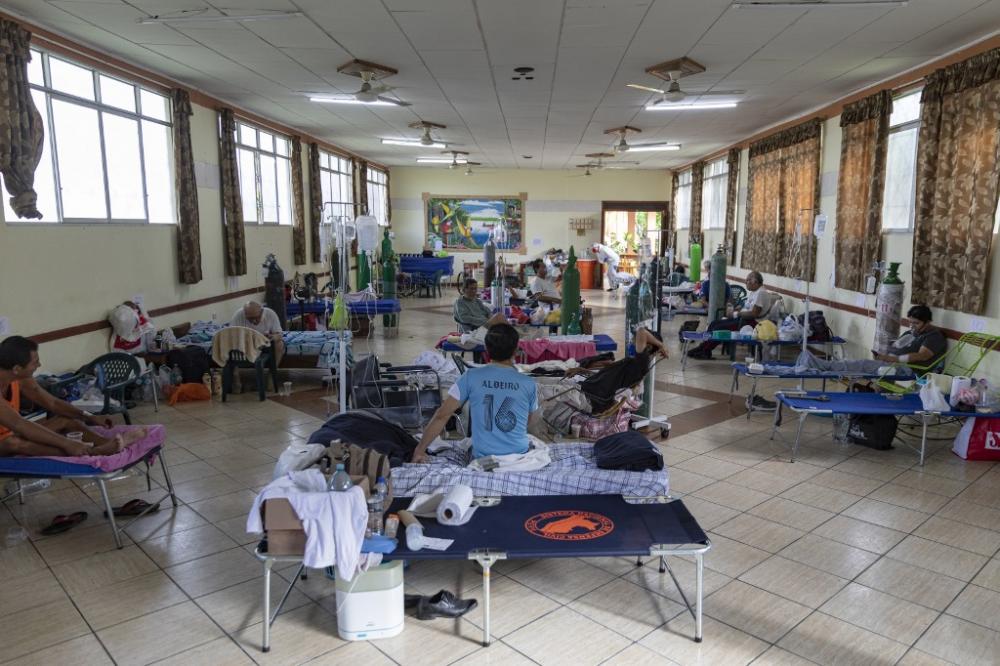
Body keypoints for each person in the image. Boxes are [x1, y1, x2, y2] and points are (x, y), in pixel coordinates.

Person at [414, 323, 540, 463]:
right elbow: (527, 421)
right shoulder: (528, 383)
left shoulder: (470, 377)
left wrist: (419, 451)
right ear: (516, 349)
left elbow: (442, 415)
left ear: (485, 348)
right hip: (519, 455)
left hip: (483, 457)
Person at [0, 336, 145, 457]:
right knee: (14, 443)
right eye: (35, 362)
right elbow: (20, 425)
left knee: (64, 420)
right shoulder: (17, 378)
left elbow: (53, 404)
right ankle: (92, 452)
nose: (39, 364)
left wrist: (89, 416)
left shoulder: (19, 378)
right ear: (17, 369)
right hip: (5, 443)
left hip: (12, 433)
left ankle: (108, 444)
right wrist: (67, 444)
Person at [686, 271, 778, 359]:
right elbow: (747, 308)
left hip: (751, 323)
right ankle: (703, 347)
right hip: (743, 319)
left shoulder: (761, 293)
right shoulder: (755, 292)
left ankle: (705, 350)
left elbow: (754, 314)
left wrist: (736, 314)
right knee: (714, 324)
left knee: (718, 328)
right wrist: (736, 310)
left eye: (748, 280)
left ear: (755, 281)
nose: (746, 282)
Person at [875, 305, 947, 370]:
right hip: (892, 365)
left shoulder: (934, 337)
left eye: (916, 323)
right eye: (910, 322)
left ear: (927, 322)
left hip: (910, 370)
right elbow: (896, 346)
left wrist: (893, 359)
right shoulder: (910, 333)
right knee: (866, 365)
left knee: (864, 365)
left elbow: (922, 356)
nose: (912, 326)